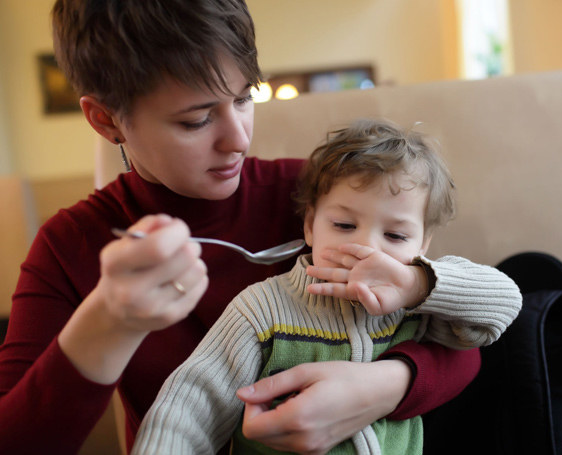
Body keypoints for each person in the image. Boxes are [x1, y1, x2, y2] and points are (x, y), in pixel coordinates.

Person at [0, 1, 519, 454]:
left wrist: (384, 385)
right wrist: (110, 322)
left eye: (246, 97)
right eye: (196, 120)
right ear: (106, 120)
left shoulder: (323, 198)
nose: (238, 138)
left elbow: (464, 339)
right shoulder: (71, 246)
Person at [131, 119, 522, 455]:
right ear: (309, 226)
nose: (366, 247)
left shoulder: (415, 303)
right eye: (344, 226)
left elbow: (504, 304)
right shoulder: (263, 309)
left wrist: (417, 283)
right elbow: (190, 408)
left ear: (422, 245)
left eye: (396, 236)